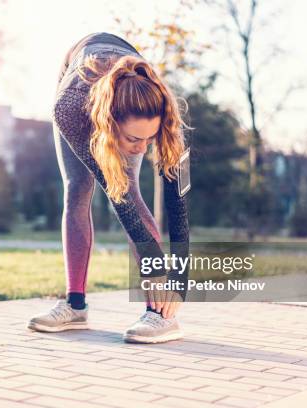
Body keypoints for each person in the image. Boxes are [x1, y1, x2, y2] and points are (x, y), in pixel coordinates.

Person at [27, 32, 190, 344]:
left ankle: (159, 315)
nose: (142, 149)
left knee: (131, 186)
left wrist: (178, 280)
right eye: (133, 139)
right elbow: (118, 198)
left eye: (149, 139)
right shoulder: (69, 108)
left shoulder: (165, 112)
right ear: (111, 125)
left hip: (123, 72)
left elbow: (178, 205)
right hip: (77, 85)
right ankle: (74, 306)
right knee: (77, 189)